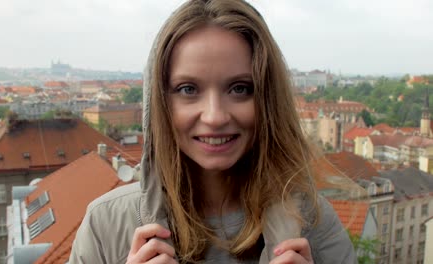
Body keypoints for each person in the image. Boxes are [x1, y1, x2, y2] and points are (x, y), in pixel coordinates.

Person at [69, 0, 356, 263]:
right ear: (160, 103)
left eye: (240, 88)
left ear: (268, 100)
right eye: (188, 89)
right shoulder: (105, 225)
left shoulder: (315, 225)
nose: (215, 116)